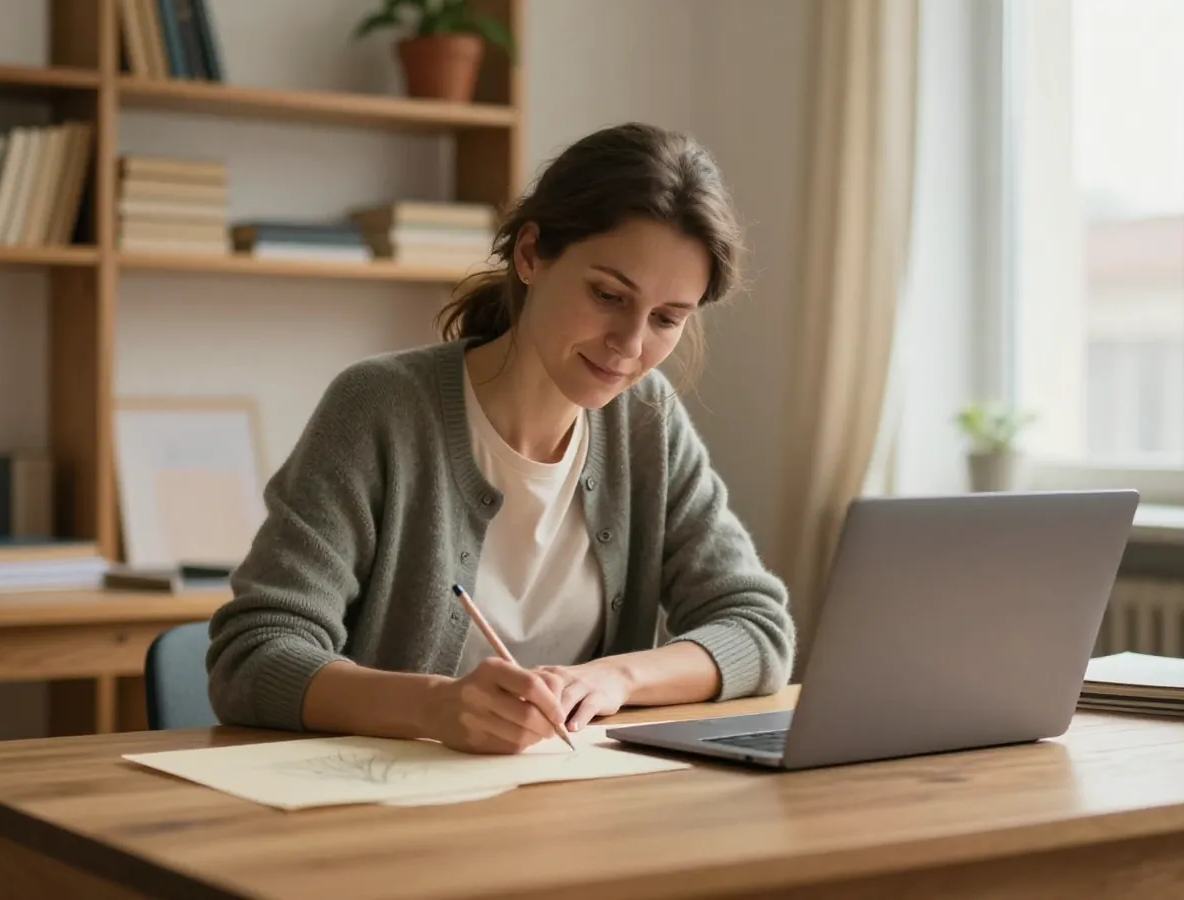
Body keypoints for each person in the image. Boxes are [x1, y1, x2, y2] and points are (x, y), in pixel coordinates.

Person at [206, 121, 796, 754]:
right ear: (531, 254)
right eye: (607, 295)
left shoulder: (646, 421)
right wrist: (433, 707)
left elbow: (758, 628)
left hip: (574, 818)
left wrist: (612, 678)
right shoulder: (380, 410)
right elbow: (253, 655)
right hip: (385, 819)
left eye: (666, 319)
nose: (630, 346)